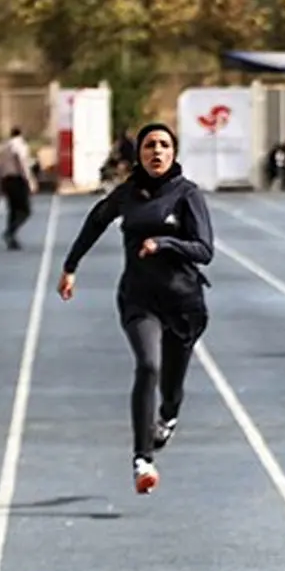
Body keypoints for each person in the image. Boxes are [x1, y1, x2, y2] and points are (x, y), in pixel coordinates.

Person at [56, 122, 214, 494]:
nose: (156, 152)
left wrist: (165, 244)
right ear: (139, 154)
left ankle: (169, 415)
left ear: (173, 152)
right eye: (148, 146)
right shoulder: (128, 193)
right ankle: (142, 459)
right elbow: (95, 221)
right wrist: (70, 266)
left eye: (163, 145)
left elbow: (205, 250)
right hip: (139, 299)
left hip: (184, 303)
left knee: (171, 387)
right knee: (148, 365)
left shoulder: (187, 195)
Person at [0, 127, 37, 250]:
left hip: (6, 180)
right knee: (25, 210)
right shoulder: (20, 146)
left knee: (12, 210)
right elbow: (22, 163)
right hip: (17, 179)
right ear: (21, 134)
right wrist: (30, 181)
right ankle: (10, 232)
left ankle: (12, 240)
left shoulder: (3, 147)